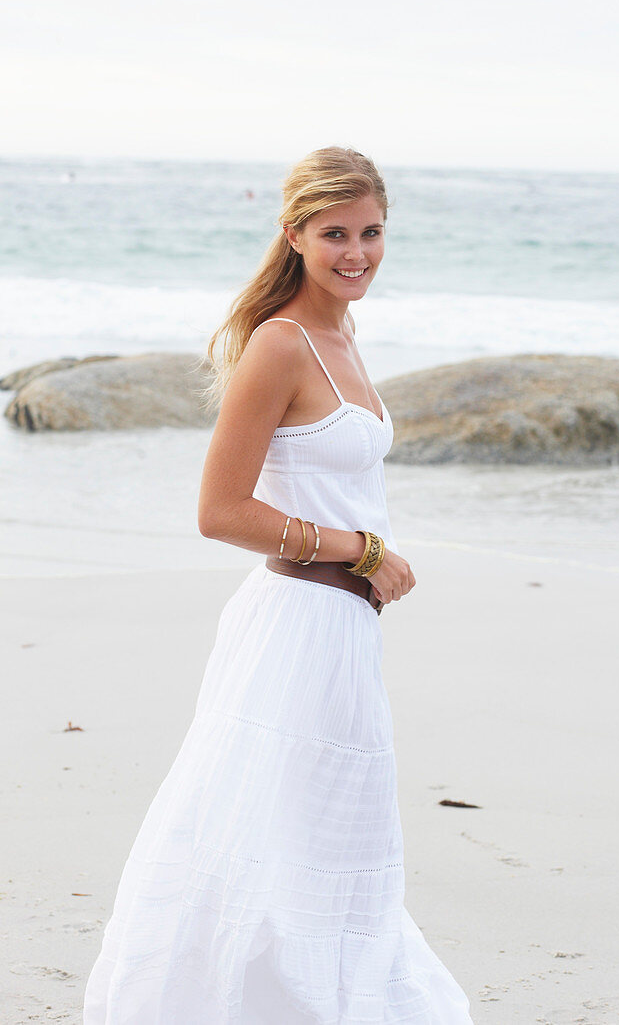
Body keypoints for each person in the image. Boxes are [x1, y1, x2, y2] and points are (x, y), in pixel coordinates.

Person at [83, 146, 474, 1023]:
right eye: (334, 233)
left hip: (339, 632)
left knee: (325, 843)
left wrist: (362, 564)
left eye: (371, 232)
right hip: (295, 626)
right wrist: (363, 551)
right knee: (263, 840)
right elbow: (219, 510)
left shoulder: (343, 334)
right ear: (293, 232)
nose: (357, 252)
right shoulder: (279, 344)